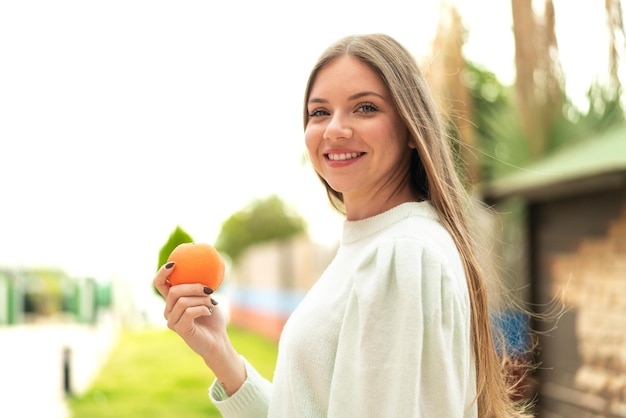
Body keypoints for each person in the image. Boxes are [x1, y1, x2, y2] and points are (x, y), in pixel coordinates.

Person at [153, 33, 532, 417]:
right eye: (319, 112)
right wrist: (219, 351)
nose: (335, 128)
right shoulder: (373, 247)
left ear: (411, 129)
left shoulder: (400, 255)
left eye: (365, 108)